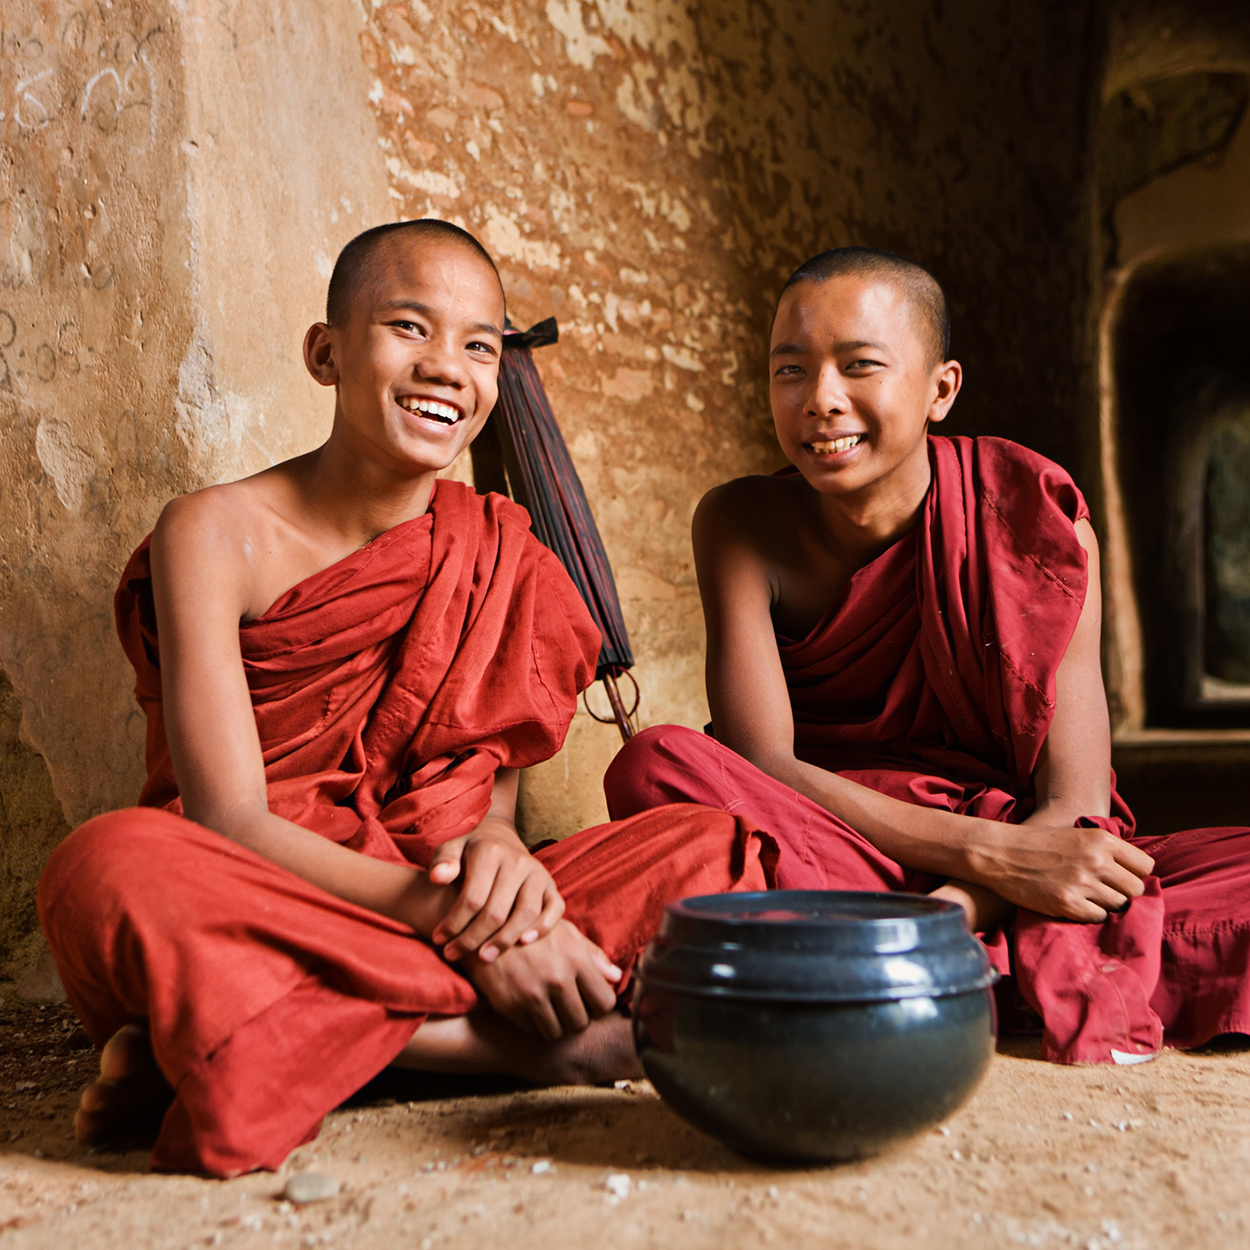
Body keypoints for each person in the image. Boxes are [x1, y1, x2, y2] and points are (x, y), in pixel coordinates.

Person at [37, 220, 776, 1177]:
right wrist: (460, 928)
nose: (445, 368)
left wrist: (503, 881)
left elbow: (481, 815)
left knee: (709, 847)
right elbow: (226, 818)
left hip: (424, 890)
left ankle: (239, 1033)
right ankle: (524, 1050)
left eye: (478, 345)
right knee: (107, 866)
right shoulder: (211, 535)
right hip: (270, 886)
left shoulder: (504, 553)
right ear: (326, 351)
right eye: (408, 328)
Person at [604, 246, 1250, 1066]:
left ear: (941, 388)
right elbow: (759, 764)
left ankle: (880, 953)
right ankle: (936, 956)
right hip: (835, 829)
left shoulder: (1033, 523)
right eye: (791, 371)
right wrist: (987, 858)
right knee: (658, 763)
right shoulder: (740, 524)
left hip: (1000, 852)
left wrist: (962, 901)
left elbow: (1074, 803)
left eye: (859, 366)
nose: (821, 402)